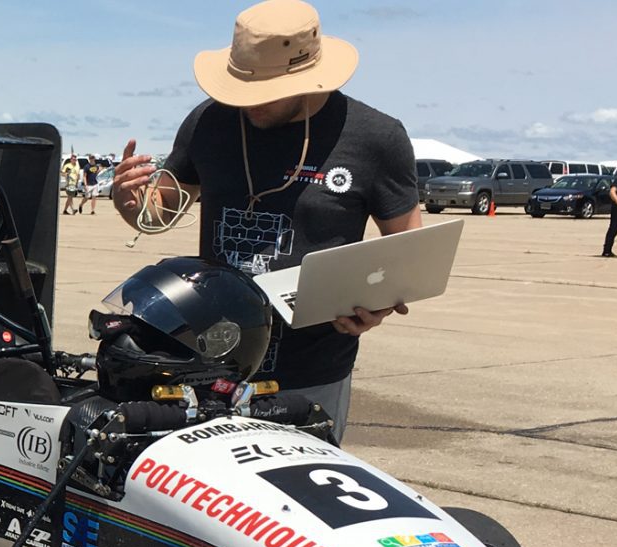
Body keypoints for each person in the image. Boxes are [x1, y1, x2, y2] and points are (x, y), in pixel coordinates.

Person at [111, 0, 418, 441]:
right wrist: (128, 200)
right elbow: (157, 211)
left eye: (264, 92)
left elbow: (407, 247)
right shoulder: (209, 122)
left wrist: (379, 306)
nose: (248, 104)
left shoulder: (375, 137)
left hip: (311, 367)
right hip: (208, 364)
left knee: (302, 498)